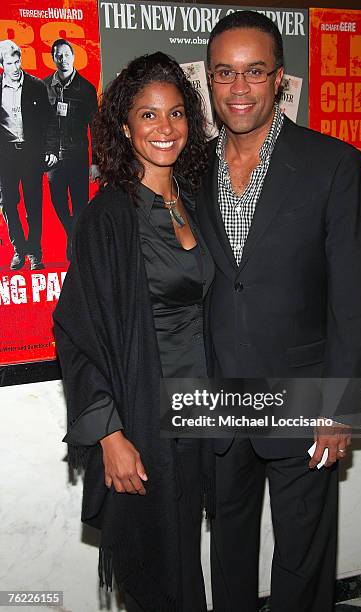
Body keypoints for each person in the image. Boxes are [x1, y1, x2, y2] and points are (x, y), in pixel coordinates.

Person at [196, 11, 361, 612]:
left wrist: (340, 408)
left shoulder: (333, 166)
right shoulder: (190, 170)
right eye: (225, 73)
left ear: (280, 80)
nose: (239, 88)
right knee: (228, 555)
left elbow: (355, 305)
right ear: (208, 80)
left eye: (254, 72)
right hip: (218, 401)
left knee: (303, 560)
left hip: (305, 397)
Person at [53, 53, 214, 612]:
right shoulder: (109, 218)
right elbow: (78, 333)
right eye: (148, 116)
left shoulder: (197, 203)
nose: (164, 128)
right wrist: (109, 434)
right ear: (125, 127)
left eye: (175, 114)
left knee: (186, 564)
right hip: (145, 420)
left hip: (204, 416)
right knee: (156, 575)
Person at [0, 40, 58, 270]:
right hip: (5, 158)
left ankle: (34, 253)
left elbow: (51, 120)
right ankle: (19, 249)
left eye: (18, 61)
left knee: (33, 205)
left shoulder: (36, 85)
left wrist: (51, 150)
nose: (15, 68)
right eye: (10, 63)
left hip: (31, 155)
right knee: (8, 204)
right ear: (2, 65)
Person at [44, 39, 99, 259]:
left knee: (79, 206)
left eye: (67, 55)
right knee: (57, 201)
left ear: (74, 57)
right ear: (53, 58)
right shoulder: (44, 85)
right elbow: (40, 124)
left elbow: (95, 128)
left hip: (78, 157)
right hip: (53, 158)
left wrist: (95, 161)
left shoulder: (86, 88)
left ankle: (73, 246)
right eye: (58, 55)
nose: (63, 59)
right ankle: (72, 235)